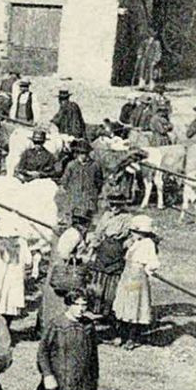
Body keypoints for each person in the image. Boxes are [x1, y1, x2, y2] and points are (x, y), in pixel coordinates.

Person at [112, 214, 159, 347]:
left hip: (137, 277)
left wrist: (149, 269)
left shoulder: (148, 244)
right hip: (127, 275)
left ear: (142, 232)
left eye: (134, 232)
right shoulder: (134, 242)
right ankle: (121, 335)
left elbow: (153, 262)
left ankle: (131, 338)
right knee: (124, 304)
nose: (132, 234)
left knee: (133, 305)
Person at [59, 139, 103, 222]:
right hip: (74, 198)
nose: (83, 156)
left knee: (86, 221)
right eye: (81, 153)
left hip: (89, 198)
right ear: (77, 153)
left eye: (85, 153)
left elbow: (99, 182)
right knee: (74, 220)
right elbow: (65, 181)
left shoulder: (95, 166)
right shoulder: (71, 165)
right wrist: (71, 191)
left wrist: (93, 192)